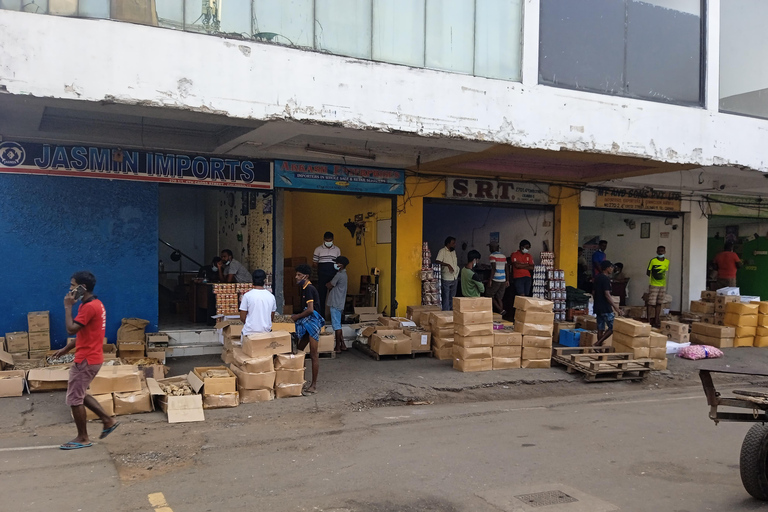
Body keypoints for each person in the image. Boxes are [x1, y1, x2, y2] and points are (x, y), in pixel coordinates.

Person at [54, 271, 118, 450]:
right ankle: (107, 420)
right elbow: (85, 332)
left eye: (73, 285)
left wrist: (68, 307)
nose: (70, 289)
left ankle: (83, 438)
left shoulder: (89, 307)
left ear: (83, 288)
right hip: (90, 357)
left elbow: (71, 329)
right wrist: (66, 348)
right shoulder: (93, 304)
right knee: (78, 394)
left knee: (75, 399)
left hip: (86, 359)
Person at [292, 264, 325, 395]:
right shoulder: (305, 288)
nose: (296, 277)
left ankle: (313, 385)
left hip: (312, 322)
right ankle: (300, 380)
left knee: (313, 354)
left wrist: (296, 317)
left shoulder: (309, 289)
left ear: (305, 276)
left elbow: (310, 309)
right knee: (299, 351)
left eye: (298, 275)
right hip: (307, 323)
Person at [239, 269, 276, 336]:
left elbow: (242, 317)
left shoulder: (247, 296)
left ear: (252, 280)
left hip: (249, 333)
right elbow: (271, 317)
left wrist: (251, 324)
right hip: (266, 333)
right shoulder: (271, 296)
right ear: (265, 280)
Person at [593, 261, 622, 346]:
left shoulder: (597, 277)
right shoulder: (605, 279)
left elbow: (593, 292)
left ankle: (599, 349)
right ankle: (598, 343)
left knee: (600, 328)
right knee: (613, 327)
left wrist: (597, 301)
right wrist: (616, 308)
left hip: (598, 306)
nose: (612, 269)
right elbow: (607, 294)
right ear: (607, 268)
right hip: (605, 307)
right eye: (611, 267)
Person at [313, 231, 341, 316]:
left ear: (333, 240)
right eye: (327, 240)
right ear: (324, 240)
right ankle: (321, 316)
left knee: (335, 296)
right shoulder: (318, 249)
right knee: (322, 296)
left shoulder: (337, 250)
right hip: (322, 275)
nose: (328, 242)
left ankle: (334, 316)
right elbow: (314, 263)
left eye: (330, 240)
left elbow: (339, 263)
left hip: (333, 275)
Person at [326, 256, 350, 353]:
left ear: (341, 265)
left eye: (337, 263)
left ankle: (338, 347)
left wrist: (327, 284)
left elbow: (330, 284)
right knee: (338, 324)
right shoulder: (344, 274)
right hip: (340, 301)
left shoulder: (339, 275)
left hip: (336, 302)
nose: (335, 265)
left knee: (336, 326)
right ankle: (343, 345)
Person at [646, 247, 670, 328]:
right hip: (654, 285)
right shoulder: (653, 261)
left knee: (659, 303)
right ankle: (648, 321)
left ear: (665, 252)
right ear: (656, 252)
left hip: (662, 285)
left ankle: (656, 320)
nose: (660, 252)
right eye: (659, 251)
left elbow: (665, 272)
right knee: (651, 303)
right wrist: (654, 278)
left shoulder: (667, 262)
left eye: (662, 251)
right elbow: (648, 272)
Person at [435, 236, 458, 311]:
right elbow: (437, 261)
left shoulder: (453, 252)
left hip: (454, 277)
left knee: (453, 298)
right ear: (448, 244)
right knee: (446, 297)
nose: (455, 245)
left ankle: (451, 313)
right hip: (446, 278)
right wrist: (447, 265)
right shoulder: (442, 251)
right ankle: (446, 313)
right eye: (453, 243)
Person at [485, 242, 509, 314]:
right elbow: (507, 269)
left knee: (489, 295)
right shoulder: (503, 256)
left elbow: (494, 268)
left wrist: (490, 280)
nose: (490, 249)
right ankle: (501, 312)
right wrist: (507, 280)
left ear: (493, 248)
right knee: (499, 297)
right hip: (503, 279)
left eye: (490, 247)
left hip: (496, 279)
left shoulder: (492, 256)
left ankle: (500, 310)